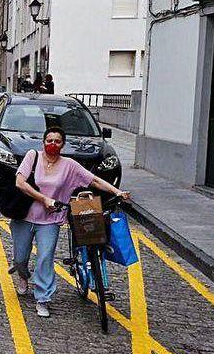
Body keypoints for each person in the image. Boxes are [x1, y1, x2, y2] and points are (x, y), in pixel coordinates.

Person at [11, 126, 130, 317]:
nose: (53, 144)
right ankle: (23, 276)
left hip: (50, 220)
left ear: (63, 144)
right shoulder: (32, 156)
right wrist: (44, 199)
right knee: (20, 259)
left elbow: (94, 181)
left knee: (45, 258)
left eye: (57, 141)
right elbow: (20, 183)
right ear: (43, 142)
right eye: (49, 141)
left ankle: (43, 299)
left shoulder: (69, 165)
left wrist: (117, 192)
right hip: (23, 217)